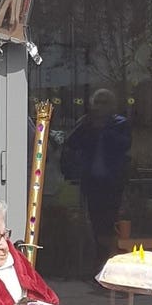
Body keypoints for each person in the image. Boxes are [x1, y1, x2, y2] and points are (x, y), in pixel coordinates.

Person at [62, 88, 131, 276]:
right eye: (97, 102)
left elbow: (124, 145)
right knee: (94, 224)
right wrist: (89, 125)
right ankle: (98, 264)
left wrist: (104, 129)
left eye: (104, 103)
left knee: (110, 225)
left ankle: (109, 265)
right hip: (92, 183)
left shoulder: (119, 124)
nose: (100, 107)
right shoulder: (87, 123)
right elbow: (72, 142)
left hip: (113, 183)